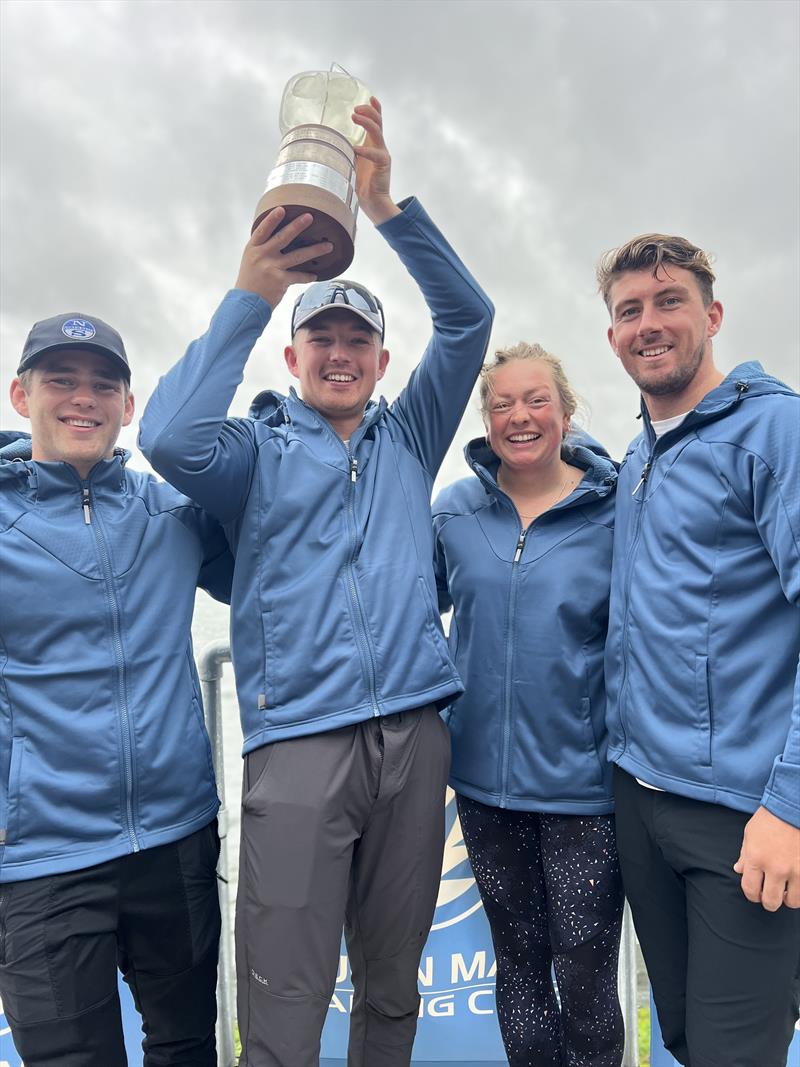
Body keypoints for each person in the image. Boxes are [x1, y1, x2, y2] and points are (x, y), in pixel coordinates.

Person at [138, 98, 493, 1067]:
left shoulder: (411, 437)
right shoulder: (250, 450)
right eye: (321, 340)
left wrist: (383, 204)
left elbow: (468, 317)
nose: (339, 354)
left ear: (381, 360)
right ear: (292, 357)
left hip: (415, 738)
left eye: (357, 342)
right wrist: (252, 288)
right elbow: (166, 437)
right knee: (286, 1000)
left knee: (390, 987)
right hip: (297, 741)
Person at [0, 313, 233, 1067]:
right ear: (19, 393)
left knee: (187, 1047)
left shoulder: (171, 512)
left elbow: (294, 553)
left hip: (176, 836)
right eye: (61, 379)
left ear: (129, 405)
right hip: (42, 854)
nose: (84, 398)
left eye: (104, 384)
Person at [598, 234, 800, 1067]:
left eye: (670, 301)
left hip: (745, 809)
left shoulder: (774, 428)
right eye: (629, 310)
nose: (650, 323)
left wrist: (789, 807)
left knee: (733, 1052)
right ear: (612, 335)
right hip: (641, 798)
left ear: (712, 315)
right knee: (682, 1035)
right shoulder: (635, 457)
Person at [432, 342, 624, 1067]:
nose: (519, 416)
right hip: (483, 784)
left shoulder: (613, 510)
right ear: (486, 419)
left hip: (584, 790)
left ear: (566, 413)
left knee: (584, 971)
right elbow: (404, 606)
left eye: (536, 400)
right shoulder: (454, 510)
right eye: (502, 403)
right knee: (517, 964)